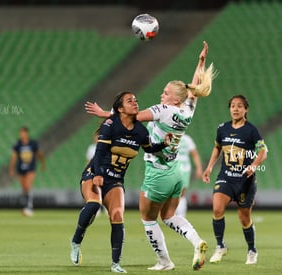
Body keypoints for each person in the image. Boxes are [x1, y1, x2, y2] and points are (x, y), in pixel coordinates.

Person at [85, 41, 216, 271]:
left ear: (175, 99)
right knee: (169, 215)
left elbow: (130, 118)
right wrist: (200, 62)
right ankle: (197, 242)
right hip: (176, 172)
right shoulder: (187, 110)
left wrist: (104, 113)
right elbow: (193, 89)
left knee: (147, 219)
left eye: (165, 93)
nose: (161, 94)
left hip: (159, 171)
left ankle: (164, 261)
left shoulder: (162, 110)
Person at [70, 91, 171, 273]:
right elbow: (99, 152)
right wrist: (98, 174)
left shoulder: (141, 130)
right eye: (129, 100)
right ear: (120, 108)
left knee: (117, 215)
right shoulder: (110, 124)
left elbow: (149, 148)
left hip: (116, 179)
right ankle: (76, 241)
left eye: (136, 100)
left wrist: (163, 143)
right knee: (94, 205)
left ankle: (116, 264)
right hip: (95, 173)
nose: (135, 102)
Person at [202, 95, 268, 265]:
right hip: (225, 177)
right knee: (217, 209)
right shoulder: (222, 128)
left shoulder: (252, 130)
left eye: (240, 106)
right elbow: (217, 147)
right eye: (232, 106)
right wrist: (209, 167)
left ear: (246, 109)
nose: (236, 109)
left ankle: (252, 250)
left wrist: (253, 165)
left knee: (244, 218)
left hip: (245, 180)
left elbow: (263, 152)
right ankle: (220, 246)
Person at [9, 126, 46, 217]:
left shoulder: (33, 143)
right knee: (24, 188)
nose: (22, 135)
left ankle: (29, 207)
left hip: (30, 168)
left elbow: (39, 154)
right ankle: (26, 206)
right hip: (21, 168)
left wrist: (43, 163)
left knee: (28, 186)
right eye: (20, 133)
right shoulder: (17, 144)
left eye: (23, 133)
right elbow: (14, 157)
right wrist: (11, 168)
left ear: (27, 133)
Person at [175, 134, 203, 217]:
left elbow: (195, 154)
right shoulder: (169, 137)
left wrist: (199, 168)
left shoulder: (187, 139)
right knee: (171, 192)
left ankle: (181, 215)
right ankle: (172, 215)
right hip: (172, 168)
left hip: (184, 168)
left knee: (182, 193)